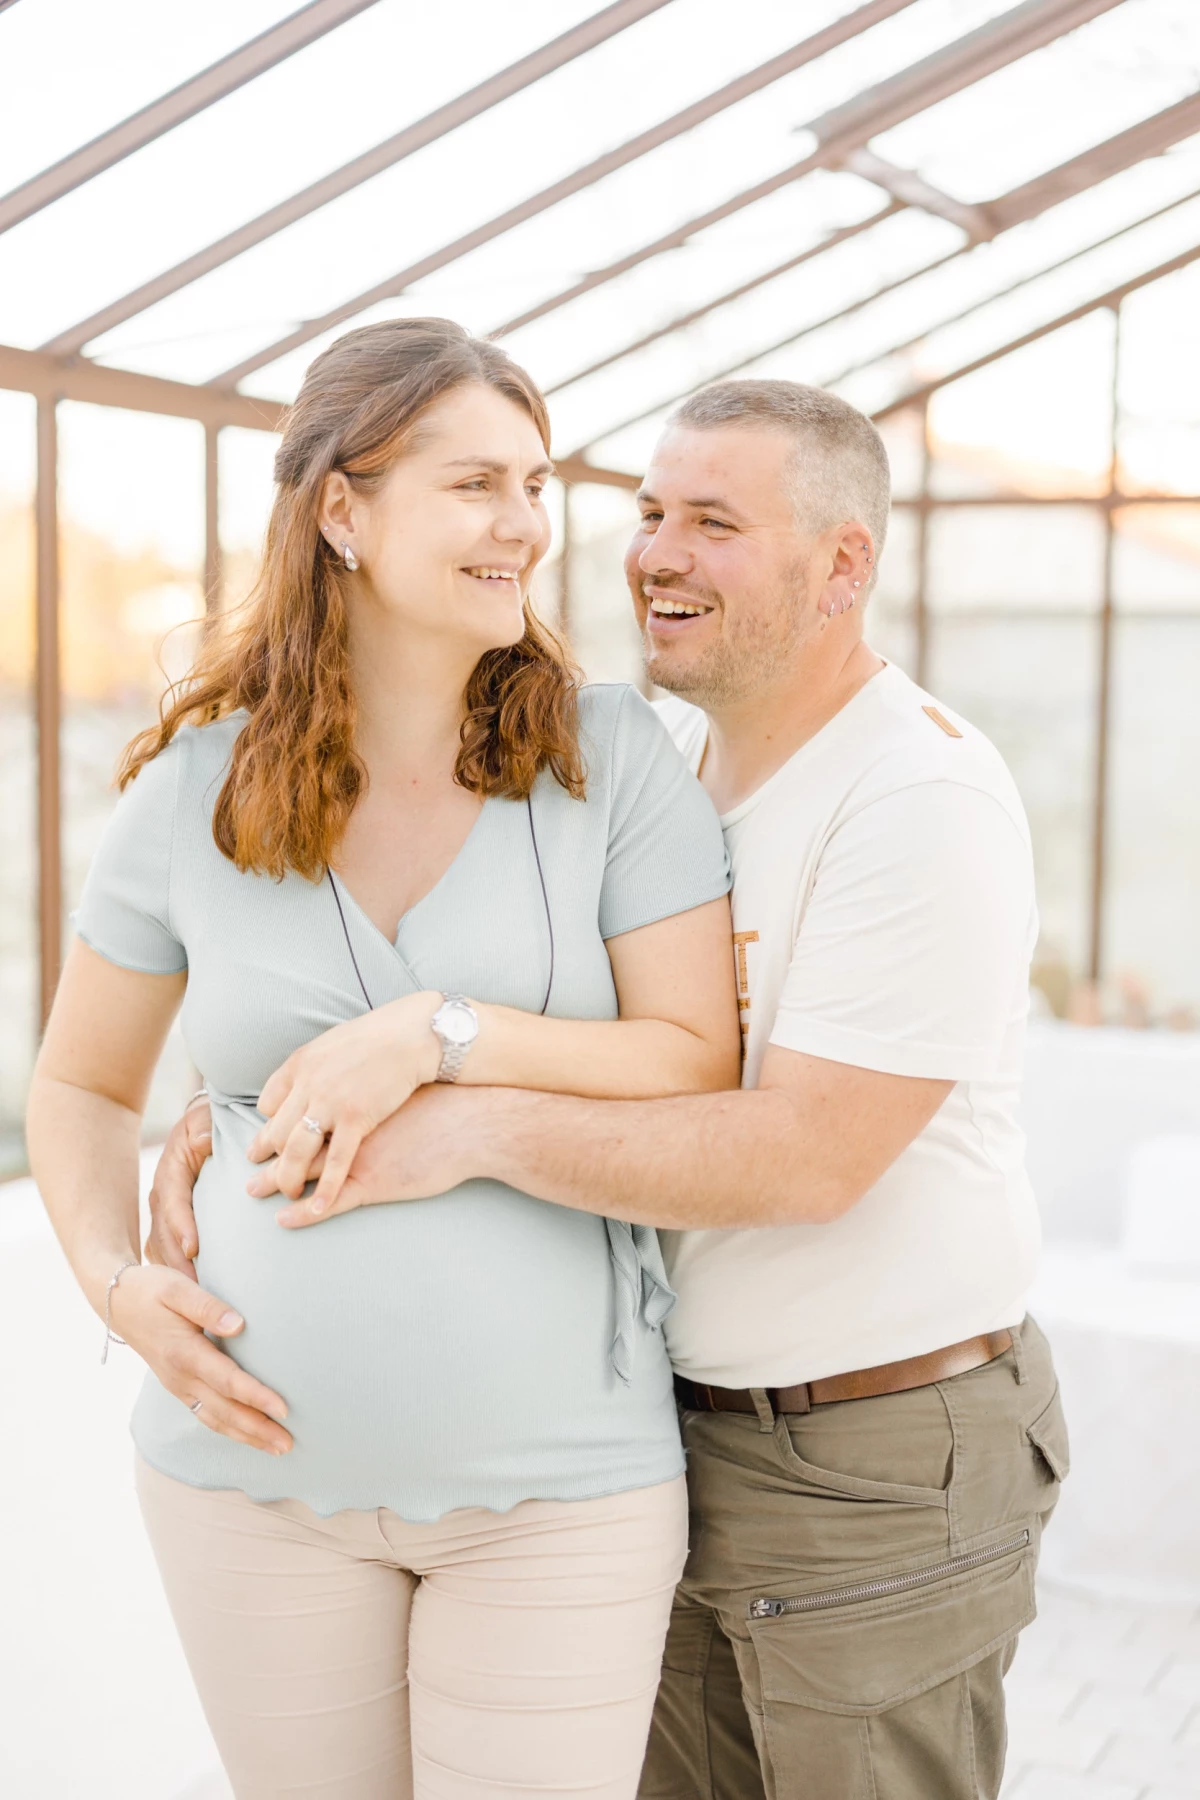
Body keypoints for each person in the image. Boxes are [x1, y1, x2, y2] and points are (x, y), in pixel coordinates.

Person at [150, 378, 1068, 1800]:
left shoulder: (914, 798)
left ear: (844, 565)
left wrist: (459, 1119)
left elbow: (808, 1158)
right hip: (680, 1435)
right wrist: (235, 1124)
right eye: (648, 513)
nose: (655, 554)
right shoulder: (661, 767)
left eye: (714, 522)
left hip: (868, 1462)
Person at [26, 318, 746, 1800]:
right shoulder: (192, 790)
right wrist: (114, 1282)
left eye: (535, 485)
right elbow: (82, 1088)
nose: (525, 526)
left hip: (562, 1497)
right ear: (340, 510)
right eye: (477, 484)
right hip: (249, 1490)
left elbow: (691, 1058)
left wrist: (438, 1035)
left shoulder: (612, 760)